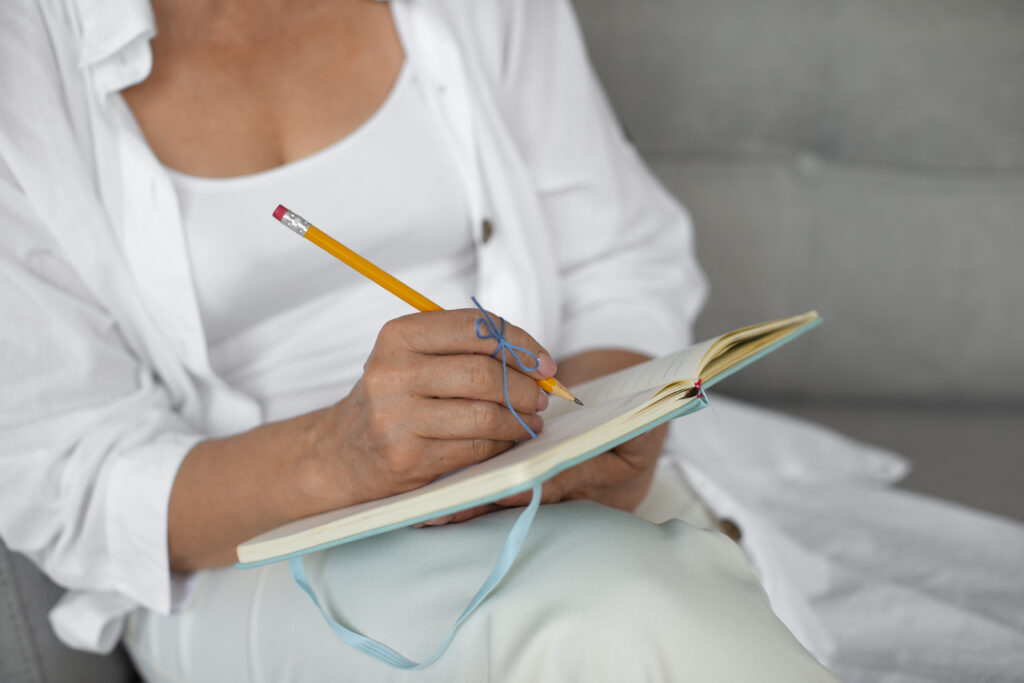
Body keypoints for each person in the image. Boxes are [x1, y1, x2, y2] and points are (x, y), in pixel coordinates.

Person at [3, 1, 1022, 682]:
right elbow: (66, 474)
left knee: (680, 591)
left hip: (532, 470)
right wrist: (343, 455)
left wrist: (609, 419)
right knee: (629, 613)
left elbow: (619, 255)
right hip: (253, 558)